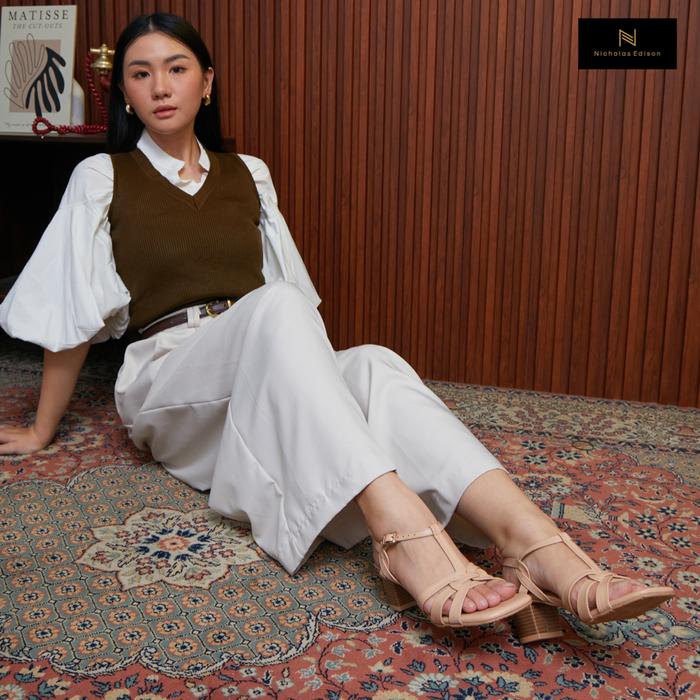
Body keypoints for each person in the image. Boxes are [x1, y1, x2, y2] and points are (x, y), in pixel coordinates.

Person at [0, 13, 673, 640]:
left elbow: (292, 297)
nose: (159, 86)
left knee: (373, 361)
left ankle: (532, 543)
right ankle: (400, 536)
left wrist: (334, 394)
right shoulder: (102, 176)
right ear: (123, 93)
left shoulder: (248, 174)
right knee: (277, 305)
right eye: (140, 73)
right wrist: (41, 428)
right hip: (170, 375)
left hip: (259, 369)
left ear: (207, 82)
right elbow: (69, 306)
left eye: (176, 69)